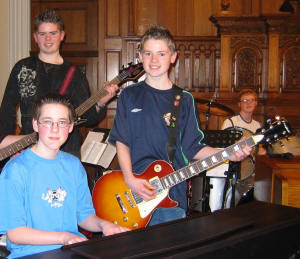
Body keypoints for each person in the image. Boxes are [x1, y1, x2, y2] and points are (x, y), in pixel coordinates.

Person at [108, 25, 252, 226]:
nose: (154, 60)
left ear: (173, 57)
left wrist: (228, 152)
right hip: (131, 190)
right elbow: (122, 141)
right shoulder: (129, 95)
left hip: (171, 195)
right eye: (148, 53)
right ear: (140, 56)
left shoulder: (184, 100)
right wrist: (130, 178)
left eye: (161, 53)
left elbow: (193, 148)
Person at [0, 94, 128, 258]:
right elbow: (15, 234)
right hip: (29, 254)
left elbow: (84, 217)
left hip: (70, 251)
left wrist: (105, 225)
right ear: (35, 125)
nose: (55, 129)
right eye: (47, 121)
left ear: (70, 127)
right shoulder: (15, 170)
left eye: (61, 122)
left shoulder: (73, 165)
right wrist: (64, 237)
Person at [0, 9, 118, 158]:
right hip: (28, 148)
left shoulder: (75, 74)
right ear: (35, 37)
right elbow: (6, 111)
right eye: (42, 34)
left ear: (62, 35)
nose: (48, 39)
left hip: (65, 151)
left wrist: (101, 103)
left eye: (53, 33)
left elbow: (88, 119)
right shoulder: (22, 68)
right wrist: (11, 146)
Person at [208, 89, 266, 211]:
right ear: (239, 104)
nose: (248, 103)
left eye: (251, 100)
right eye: (245, 100)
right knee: (217, 182)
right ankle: (216, 214)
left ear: (256, 103)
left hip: (248, 167)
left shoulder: (258, 126)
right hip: (229, 164)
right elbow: (223, 147)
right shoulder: (230, 122)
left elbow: (259, 150)